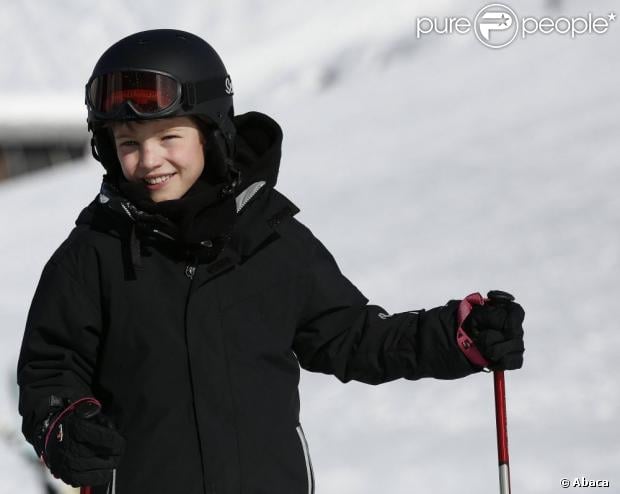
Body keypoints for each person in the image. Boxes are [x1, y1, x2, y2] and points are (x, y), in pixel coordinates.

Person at [16, 29, 525, 494]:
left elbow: (355, 338)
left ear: (212, 136)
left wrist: (458, 337)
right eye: (129, 143)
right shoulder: (91, 255)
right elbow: (50, 370)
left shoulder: (270, 242)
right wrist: (63, 425)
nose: (149, 161)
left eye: (169, 137)